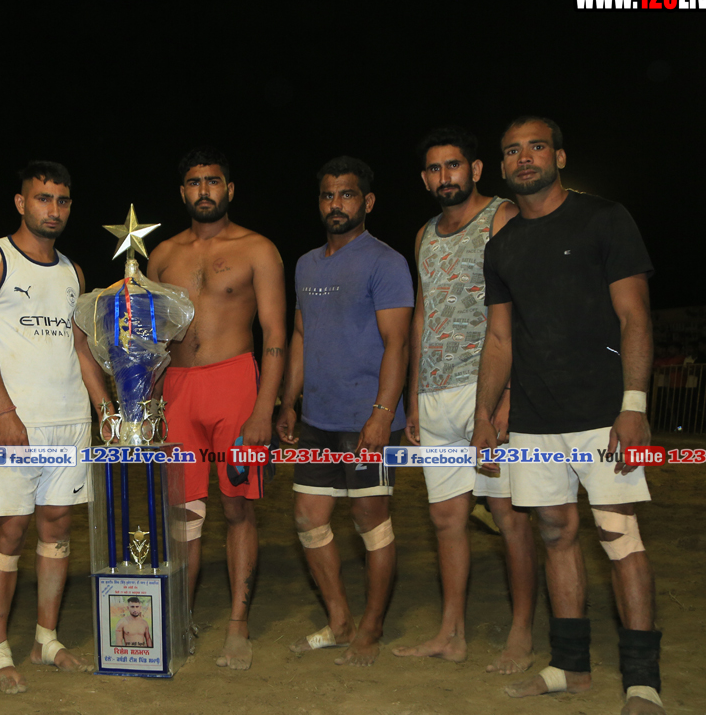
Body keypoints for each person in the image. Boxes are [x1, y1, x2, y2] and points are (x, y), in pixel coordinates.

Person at [472, 116, 666, 715]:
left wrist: (634, 405)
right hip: (534, 418)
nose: (524, 158)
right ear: (502, 166)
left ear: (559, 155)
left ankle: (643, 681)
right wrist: (484, 416)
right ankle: (569, 666)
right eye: (512, 151)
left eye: (536, 147)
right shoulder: (500, 247)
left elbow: (635, 317)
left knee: (618, 534)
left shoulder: (604, 219)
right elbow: (499, 339)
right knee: (554, 534)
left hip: (604, 415)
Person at [0, 161, 113, 694]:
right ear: (21, 202)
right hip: (18, 424)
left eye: (62, 200)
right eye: (43, 198)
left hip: (68, 421)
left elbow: (80, 347)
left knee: (57, 527)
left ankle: (46, 640)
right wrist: (2, 411)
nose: (53, 209)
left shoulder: (73, 272)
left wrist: (104, 408)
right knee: (9, 531)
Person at [393, 127, 538, 674]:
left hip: (488, 391)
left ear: (475, 169)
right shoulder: (424, 235)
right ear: (424, 178)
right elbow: (422, 316)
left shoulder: (503, 217)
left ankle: (521, 632)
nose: (444, 176)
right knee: (447, 519)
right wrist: (414, 398)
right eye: (434, 169)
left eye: (453, 165)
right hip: (435, 396)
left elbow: (523, 309)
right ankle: (450, 633)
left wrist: (508, 397)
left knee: (508, 515)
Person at [145, 147, 286, 671]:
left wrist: (264, 409)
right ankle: (179, 618)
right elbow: (149, 338)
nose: (203, 190)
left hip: (235, 385)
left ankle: (237, 626)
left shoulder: (258, 249)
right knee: (183, 512)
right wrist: (146, 404)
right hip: (176, 389)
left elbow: (275, 334)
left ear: (229, 188)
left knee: (237, 507)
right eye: (194, 182)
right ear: (182, 192)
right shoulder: (162, 255)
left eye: (213, 181)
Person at [276, 156, 412, 667]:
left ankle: (371, 629)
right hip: (318, 419)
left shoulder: (386, 262)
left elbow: (397, 343)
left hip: (366, 420)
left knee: (370, 521)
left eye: (347, 194)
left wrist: (382, 413)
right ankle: (340, 622)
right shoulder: (306, 264)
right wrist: (288, 402)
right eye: (328, 195)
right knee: (308, 518)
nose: (336, 204)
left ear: (367, 202)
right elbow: (300, 336)